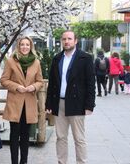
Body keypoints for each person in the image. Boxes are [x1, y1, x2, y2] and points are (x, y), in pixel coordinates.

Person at [45, 30, 96, 164]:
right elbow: (52, 83)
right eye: (64, 39)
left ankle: (81, 162)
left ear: (75, 41)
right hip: (59, 103)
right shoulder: (57, 58)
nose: (66, 41)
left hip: (77, 103)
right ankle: (62, 162)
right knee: (61, 137)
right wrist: (48, 104)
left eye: (69, 39)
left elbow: (91, 83)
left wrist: (89, 105)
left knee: (79, 138)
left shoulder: (85, 58)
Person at [1, 36, 43, 164]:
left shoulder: (36, 62)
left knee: (25, 135)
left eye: (27, 45)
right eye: (22, 45)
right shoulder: (10, 61)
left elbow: (40, 81)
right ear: (18, 46)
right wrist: (16, 87)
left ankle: (23, 161)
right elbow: (4, 80)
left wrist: (33, 87)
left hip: (29, 103)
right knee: (14, 134)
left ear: (31, 47)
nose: (25, 47)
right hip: (15, 103)